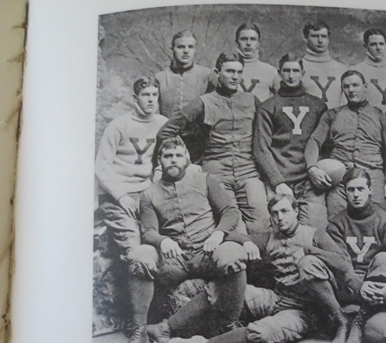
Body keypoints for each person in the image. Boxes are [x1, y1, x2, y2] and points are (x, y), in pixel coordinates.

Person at [160, 194, 355, 343]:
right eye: (275, 213)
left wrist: (311, 251)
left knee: (262, 334)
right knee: (221, 289)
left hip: (307, 310)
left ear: (296, 211)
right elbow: (231, 236)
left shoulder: (315, 234)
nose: (280, 218)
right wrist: (246, 243)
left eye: (285, 211)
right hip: (278, 298)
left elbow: (342, 264)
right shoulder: (269, 237)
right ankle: (167, 328)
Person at [118, 137, 247, 343]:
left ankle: (229, 326)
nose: (173, 160)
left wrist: (218, 234)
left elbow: (230, 211)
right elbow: (148, 231)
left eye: (178, 155)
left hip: (208, 252)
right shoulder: (149, 194)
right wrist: (162, 241)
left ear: (186, 158)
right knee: (140, 257)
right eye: (168, 156)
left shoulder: (204, 180)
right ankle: (140, 334)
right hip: (175, 260)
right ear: (160, 161)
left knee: (232, 256)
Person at [157, 52, 268, 233]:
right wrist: (184, 159)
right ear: (217, 72)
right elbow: (166, 131)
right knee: (234, 228)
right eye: (230, 71)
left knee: (262, 224)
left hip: (249, 172)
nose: (235, 77)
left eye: (239, 72)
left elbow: (267, 131)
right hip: (216, 172)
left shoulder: (251, 100)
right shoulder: (203, 102)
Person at [326, 169, 386, 343]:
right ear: (344, 192)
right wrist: (358, 284)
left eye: (361, 189)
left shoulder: (385, 221)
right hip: (350, 287)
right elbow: (340, 262)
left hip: (377, 286)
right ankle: (345, 320)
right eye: (351, 189)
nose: (356, 195)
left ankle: (360, 319)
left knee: (385, 258)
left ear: (370, 190)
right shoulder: (336, 224)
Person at [305, 70, 386, 218]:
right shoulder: (331, 115)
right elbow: (314, 141)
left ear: (365, 86)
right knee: (337, 218)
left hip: (372, 176)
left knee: (380, 218)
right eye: (346, 86)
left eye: (355, 85)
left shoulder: (381, 117)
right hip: (341, 178)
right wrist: (312, 168)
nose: (351, 90)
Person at [94, 77, 168, 261]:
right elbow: (102, 167)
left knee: (163, 233)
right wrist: (121, 196)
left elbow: (162, 159)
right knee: (133, 242)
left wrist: (156, 183)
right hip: (116, 195)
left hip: (144, 191)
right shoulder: (118, 126)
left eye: (154, 95)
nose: (151, 100)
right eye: (145, 95)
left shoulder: (161, 123)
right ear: (135, 99)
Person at [254, 53, 329, 228]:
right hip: (280, 180)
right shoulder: (267, 107)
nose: (291, 75)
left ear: (303, 73)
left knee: (314, 230)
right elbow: (260, 148)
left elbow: (325, 145)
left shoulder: (318, 106)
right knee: (279, 230)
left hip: (310, 181)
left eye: (295, 71)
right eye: (286, 70)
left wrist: (318, 170)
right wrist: (277, 182)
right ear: (279, 73)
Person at [154, 31, 212, 160]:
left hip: (199, 142)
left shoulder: (207, 75)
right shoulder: (160, 78)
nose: (186, 51)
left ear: (195, 49)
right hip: (168, 141)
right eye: (181, 47)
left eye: (190, 47)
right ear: (172, 49)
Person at [350, 28, 386, 108]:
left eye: (381, 44)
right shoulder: (355, 71)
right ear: (366, 47)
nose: (378, 47)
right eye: (373, 44)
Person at [301, 20, 347, 109]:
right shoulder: (296, 68)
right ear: (305, 38)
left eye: (324, 36)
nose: (320, 40)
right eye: (315, 36)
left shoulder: (341, 69)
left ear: (328, 39)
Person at [234, 22, 279, 102]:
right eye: (244, 39)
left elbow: (280, 102)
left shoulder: (271, 72)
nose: (248, 43)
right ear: (237, 42)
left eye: (253, 39)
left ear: (258, 43)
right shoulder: (225, 70)